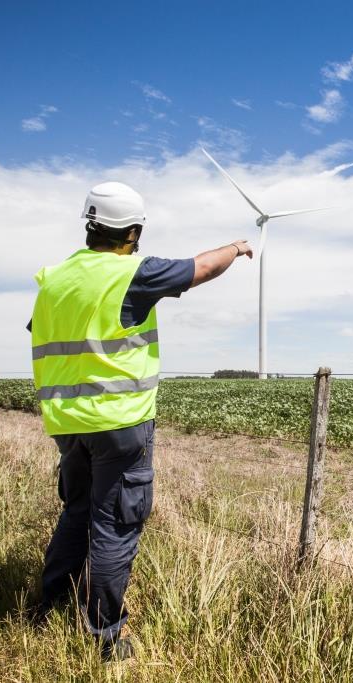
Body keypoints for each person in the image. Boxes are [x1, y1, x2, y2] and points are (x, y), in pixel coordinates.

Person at [29, 181, 252, 661]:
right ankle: (105, 636)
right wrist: (237, 246)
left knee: (77, 514)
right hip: (120, 423)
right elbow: (203, 267)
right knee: (115, 523)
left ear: (91, 224)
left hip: (66, 423)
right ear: (132, 230)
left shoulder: (55, 280)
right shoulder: (131, 274)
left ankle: (47, 609)